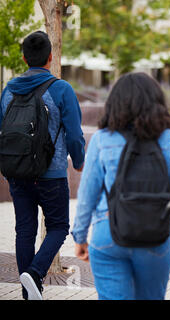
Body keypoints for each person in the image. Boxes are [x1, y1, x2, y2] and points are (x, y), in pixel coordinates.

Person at [71, 72, 170, 300]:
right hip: (155, 236)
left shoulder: (103, 139)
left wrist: (80, 236)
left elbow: (87, 195)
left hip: (108, 233)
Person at [0, 31, 85, 300]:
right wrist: (79, 161)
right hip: (51, 173)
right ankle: (35, 273)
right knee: (58, 227)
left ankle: (29, 293)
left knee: (25, 229)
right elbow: (74, 134)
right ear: (50, 57)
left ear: (24, 58)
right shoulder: (61, 89)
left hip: (17, 172)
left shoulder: (9, 89)